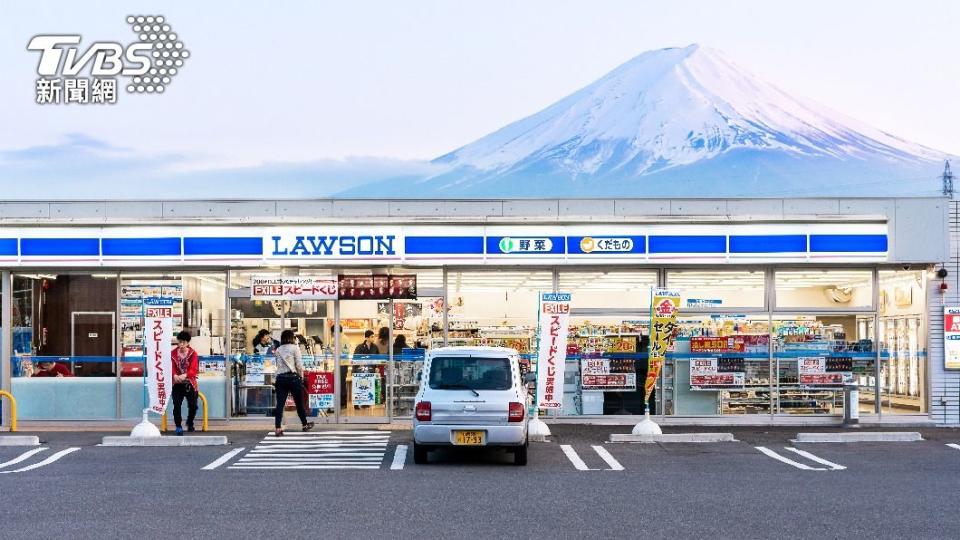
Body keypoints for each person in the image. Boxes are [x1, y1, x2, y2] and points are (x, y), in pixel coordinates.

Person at [273, 329, 314, 436]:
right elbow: (299, 365)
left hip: (281, 378)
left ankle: (278, 428)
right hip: (293, 378)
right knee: (299, 403)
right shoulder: (295, 348)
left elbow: (278, 366)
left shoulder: (278, 350)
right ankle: (304, 425)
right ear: (292, 337)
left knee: (280, 404)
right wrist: (301, 376)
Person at [171, 330, 199, 435]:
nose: (181, 345)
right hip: (177, 384)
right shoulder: (173, 353)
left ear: (188, 343)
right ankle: (178, 426)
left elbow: (194, 369)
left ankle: (190, 422)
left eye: (184, 342)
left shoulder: (193, 354)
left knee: (193, 405)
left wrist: (185, 375)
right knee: (177, 405)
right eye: (180, 342)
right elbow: (171, 367)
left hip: (190, 383)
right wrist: (174, 375)